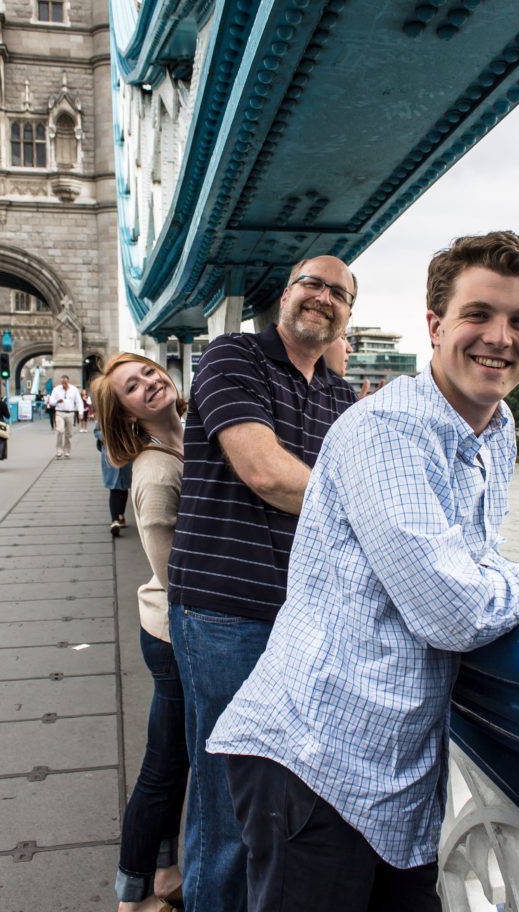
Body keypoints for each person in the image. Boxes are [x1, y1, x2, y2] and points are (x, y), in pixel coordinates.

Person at [208, 231, 519, 912]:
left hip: (395, 770)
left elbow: (468, 566)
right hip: (316, 757)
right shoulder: (386, 431)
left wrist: (497, 581)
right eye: (477, 315)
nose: (499, 338)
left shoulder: (497, 426)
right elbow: (455, 611)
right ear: (434, 325)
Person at [167, 255, 359, 912]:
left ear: (345, 317)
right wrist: (364, 499)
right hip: (226, 615)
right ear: (285, 294)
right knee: (229, 806)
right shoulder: (231, 357)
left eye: (338, 293)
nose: (323, 296)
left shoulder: (338, 394)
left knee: (286, 800)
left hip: (306, 618)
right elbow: (267, 474)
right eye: (312, 282)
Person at [91, 353, 189, 912]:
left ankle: (165, 873)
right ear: (125, 413)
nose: (150, 383)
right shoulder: (156, 472)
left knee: (172, 759)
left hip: (177, 631)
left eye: (151, 373)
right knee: (163, 765)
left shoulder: (194, 433)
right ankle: (132, 897)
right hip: (174, 634)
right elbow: (172, 574)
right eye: (134, 386)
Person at [94, 422, 132, 535]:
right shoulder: (104, 413)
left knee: (123, 486)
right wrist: (110, 437)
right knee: (114, 486)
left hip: (126, 452)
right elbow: (97, 432)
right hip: (110, 453)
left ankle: (120, 515)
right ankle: (115, 519)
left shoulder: (130, 411)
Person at [47, 374, 84, 458]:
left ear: (68, 381)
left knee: (69, 433)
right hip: (59, 412)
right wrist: (57, 401)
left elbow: (79, 401)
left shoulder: (74, 390)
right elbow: (51, 401)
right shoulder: (56, 390)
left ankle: (67, 450)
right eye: (62, 383)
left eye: (65, 383)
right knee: (60, 430)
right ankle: (59, 450)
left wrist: (80, 412)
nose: (64, 384)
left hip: (70, 413)